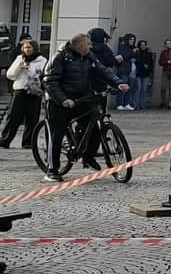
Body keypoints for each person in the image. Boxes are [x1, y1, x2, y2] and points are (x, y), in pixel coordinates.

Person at [44, 32, 129, 180]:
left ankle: (88, 157)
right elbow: (50, 81)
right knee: (56, 134)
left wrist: (118, 82)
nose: (91, 46)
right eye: (89, 44)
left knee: (94, 126)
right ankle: (52, 170)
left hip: (81, 98)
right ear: (80, 45)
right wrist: (63, 99)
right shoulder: (59, 58)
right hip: (59, 101)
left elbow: (102, 70)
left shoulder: (88, 56)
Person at [0, 38, 48, 150]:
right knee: (13, 116)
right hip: (20, 90)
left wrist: (29, 70)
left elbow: (40, 75)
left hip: (34, 92)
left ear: (35, 48)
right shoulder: (19, 59)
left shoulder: (42, 61)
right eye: (25, 47)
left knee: (32, 118)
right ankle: (5, 140)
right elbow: (10, 75)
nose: (27, 50)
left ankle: (28, 142)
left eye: (29, 47)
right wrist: (19, 67)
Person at [131, 40, 155, 110]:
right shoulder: (137, 53)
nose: (143, 46)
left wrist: (149, 69)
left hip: (146, 73)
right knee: (138, 89)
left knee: (144, 90)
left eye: (144, 45)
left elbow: (151, 63)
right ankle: (136, 105)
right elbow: (136, 61)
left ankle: (142, 105)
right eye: (141, 45)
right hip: (138, 73)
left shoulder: (149, 53)